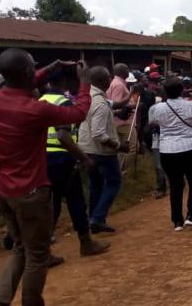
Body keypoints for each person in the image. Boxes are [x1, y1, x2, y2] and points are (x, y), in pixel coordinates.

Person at [0, 49, 92, 306]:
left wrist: (50, 67)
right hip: (31, 193)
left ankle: (0, 301)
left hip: (3, 190)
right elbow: (78, 113)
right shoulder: (36, 110)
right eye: (32, 68)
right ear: (26, 73)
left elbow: (19, 83)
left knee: (21, 248)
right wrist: (85, 82)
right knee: (37, 255)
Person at [40, 69, 110, 259]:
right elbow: (63, 135)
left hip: (43, 158)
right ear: (63, 81)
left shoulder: (40, 100)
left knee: (53, 204)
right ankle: (85, 243)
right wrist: (84, 158)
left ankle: (45, 250)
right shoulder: (63, 102)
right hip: (62, 159)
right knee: (75, 201)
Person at [149, 77, 192, 231]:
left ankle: (177, 221)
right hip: (190, 148)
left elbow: (152, 122)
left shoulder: (157, 108)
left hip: (168, 150)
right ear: (182, 89)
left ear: (165, 92)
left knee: (175, 185)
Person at [79, 66, 130, 234]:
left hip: (87, 149)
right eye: (108, 77)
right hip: (101, 151)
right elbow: (99, 133)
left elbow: (112, 105)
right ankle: (98, 218)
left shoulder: (89, 96)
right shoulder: (100, 103)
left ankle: (92, 219)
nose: (111, 80)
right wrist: (118, 146)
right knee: (114, 182)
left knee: (96, 184)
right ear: (103, 81)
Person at [107, 64, 137, 178]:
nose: (128, 72)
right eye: (127, 70)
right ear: (122, 72)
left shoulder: (115, 83)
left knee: (121, 148)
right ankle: (122, 174)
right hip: (122, 123)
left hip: (119, 122)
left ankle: (117, 173)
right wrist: (132, 106)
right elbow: (117, 104)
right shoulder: (119, 85)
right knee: (131, 148)